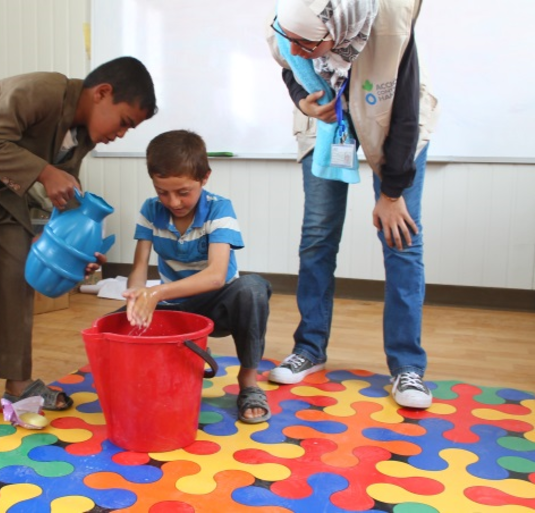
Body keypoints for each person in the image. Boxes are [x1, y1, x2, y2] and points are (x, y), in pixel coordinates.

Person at [0, 56, 157, 432]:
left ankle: (18, 384)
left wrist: (70, 250)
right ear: (102, 93)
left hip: (2, 194)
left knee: (15, 281)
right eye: (124, 122)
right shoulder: (41, 90)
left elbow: (65, 195)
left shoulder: (83, 132)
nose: (121, 133)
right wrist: (44, 171)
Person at [265, 0, 439, 408]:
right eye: (291, 39)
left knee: (402, 239)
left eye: (309, 44)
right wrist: (302, 99)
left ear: (338, 29)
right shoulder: (288, 19)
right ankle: (309, 348)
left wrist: (392, 193)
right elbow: (289, 64)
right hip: (328, 123)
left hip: (391, 116)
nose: (298, 49)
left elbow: (406, 107)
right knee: (317, 236)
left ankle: (407, 368)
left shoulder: (392, 20)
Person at [123, 130, 273, 424]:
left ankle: (249, 381)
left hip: (220, 307)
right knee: (119, 319)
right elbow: (139, 267)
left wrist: (155, 294)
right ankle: (164, 374)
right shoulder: (150, 211)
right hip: (177, 308)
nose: (173, 202)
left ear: (205, 178)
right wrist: (136, 295)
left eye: (183, 192)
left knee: (253, 289)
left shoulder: (220, 208)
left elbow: (217, 276)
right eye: (162, 192)